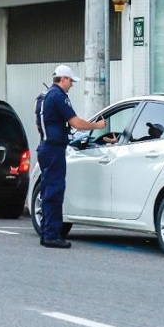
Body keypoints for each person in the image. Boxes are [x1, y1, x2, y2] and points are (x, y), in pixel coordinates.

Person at [37, 65, 106, 249]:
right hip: (53, 149)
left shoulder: (44, 95)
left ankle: (47, 232)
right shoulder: (59, 96)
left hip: (44, 147)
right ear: (63, 79)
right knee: (55, 190)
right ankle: (51, 235)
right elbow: (75, 122)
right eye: (71, 81)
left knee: (47, 190)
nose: (72, 85)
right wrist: (97, 126)